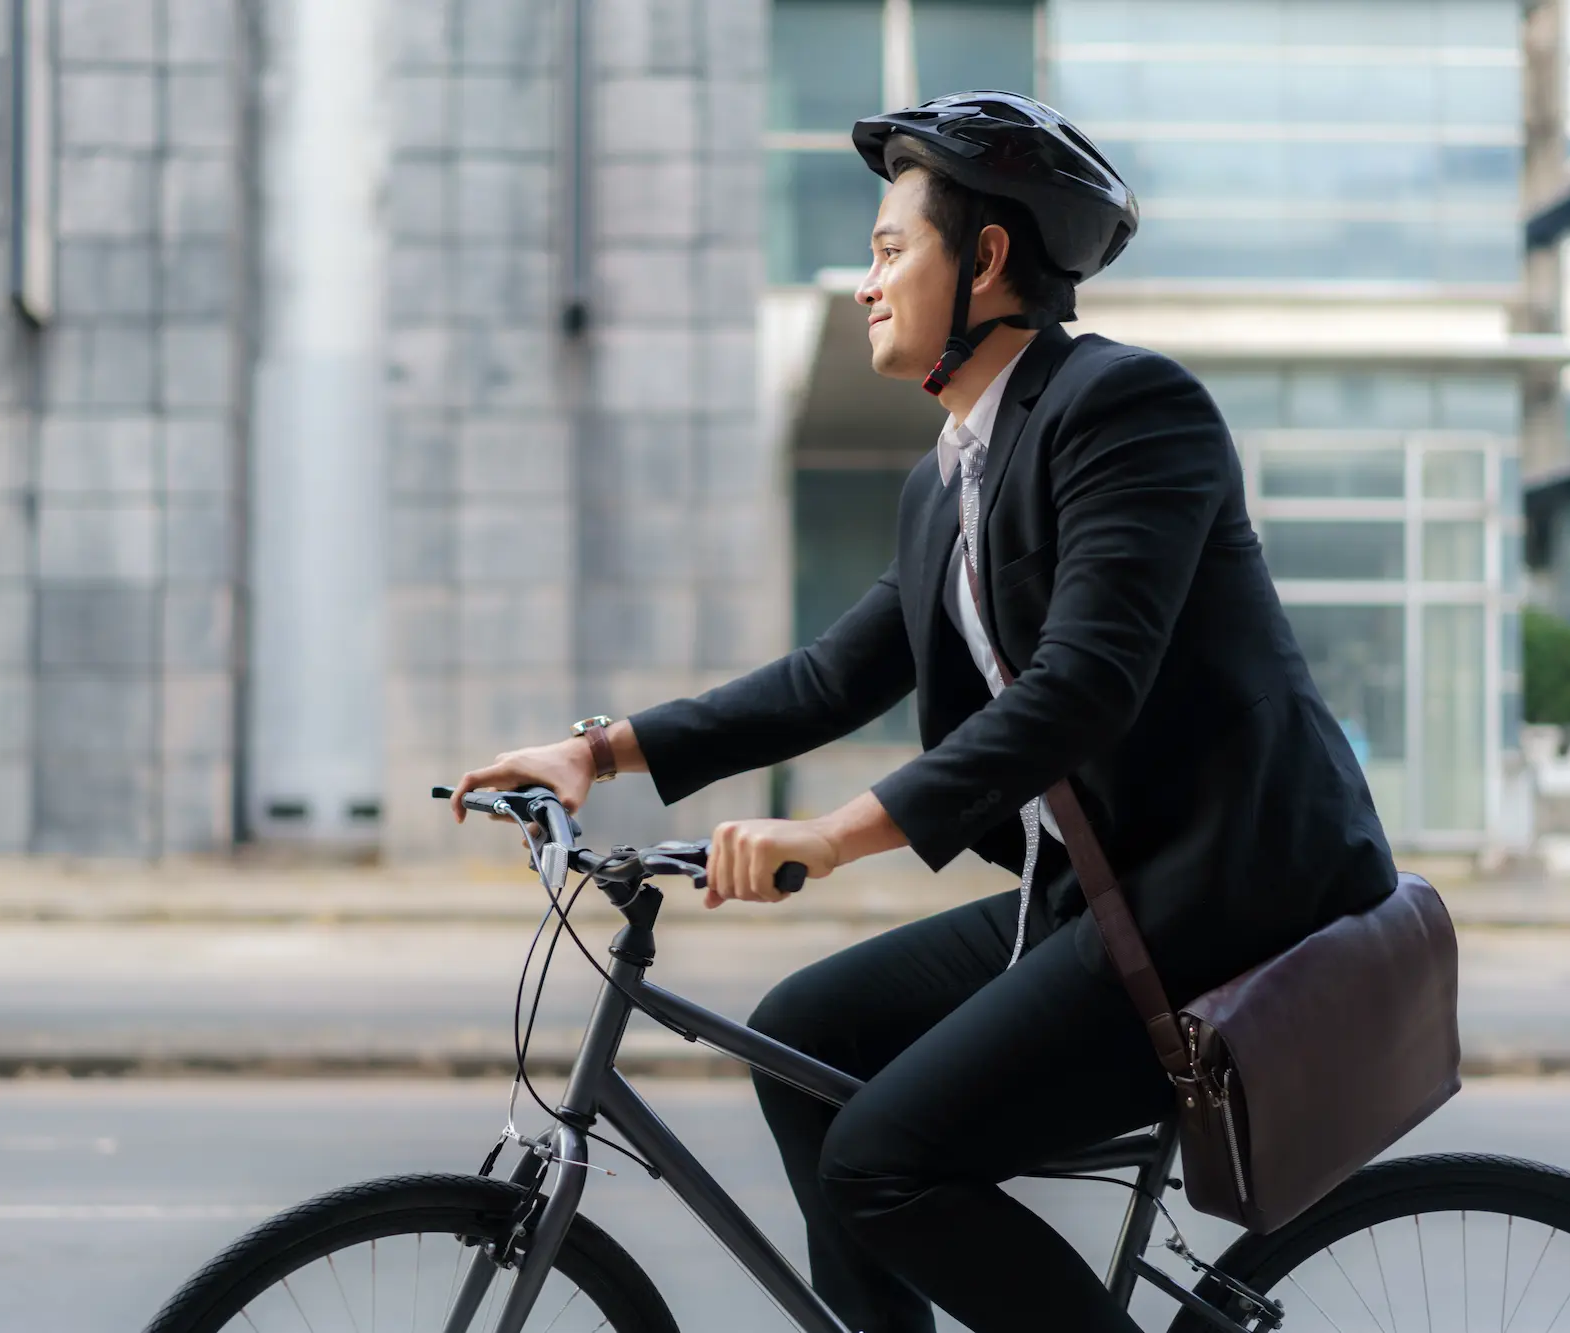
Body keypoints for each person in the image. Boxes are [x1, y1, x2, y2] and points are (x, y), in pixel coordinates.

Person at [451, 92, 1396, 1333]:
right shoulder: (949, 478)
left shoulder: (1123, 414)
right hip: (1098, 903)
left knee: (881, 1159)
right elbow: (832, 677)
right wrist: (596, 752)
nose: (864, 282)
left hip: (1221, 907)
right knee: (803, 1039)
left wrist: (829, 836)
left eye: (891, 248)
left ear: (988, 259)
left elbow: (1082, 684)